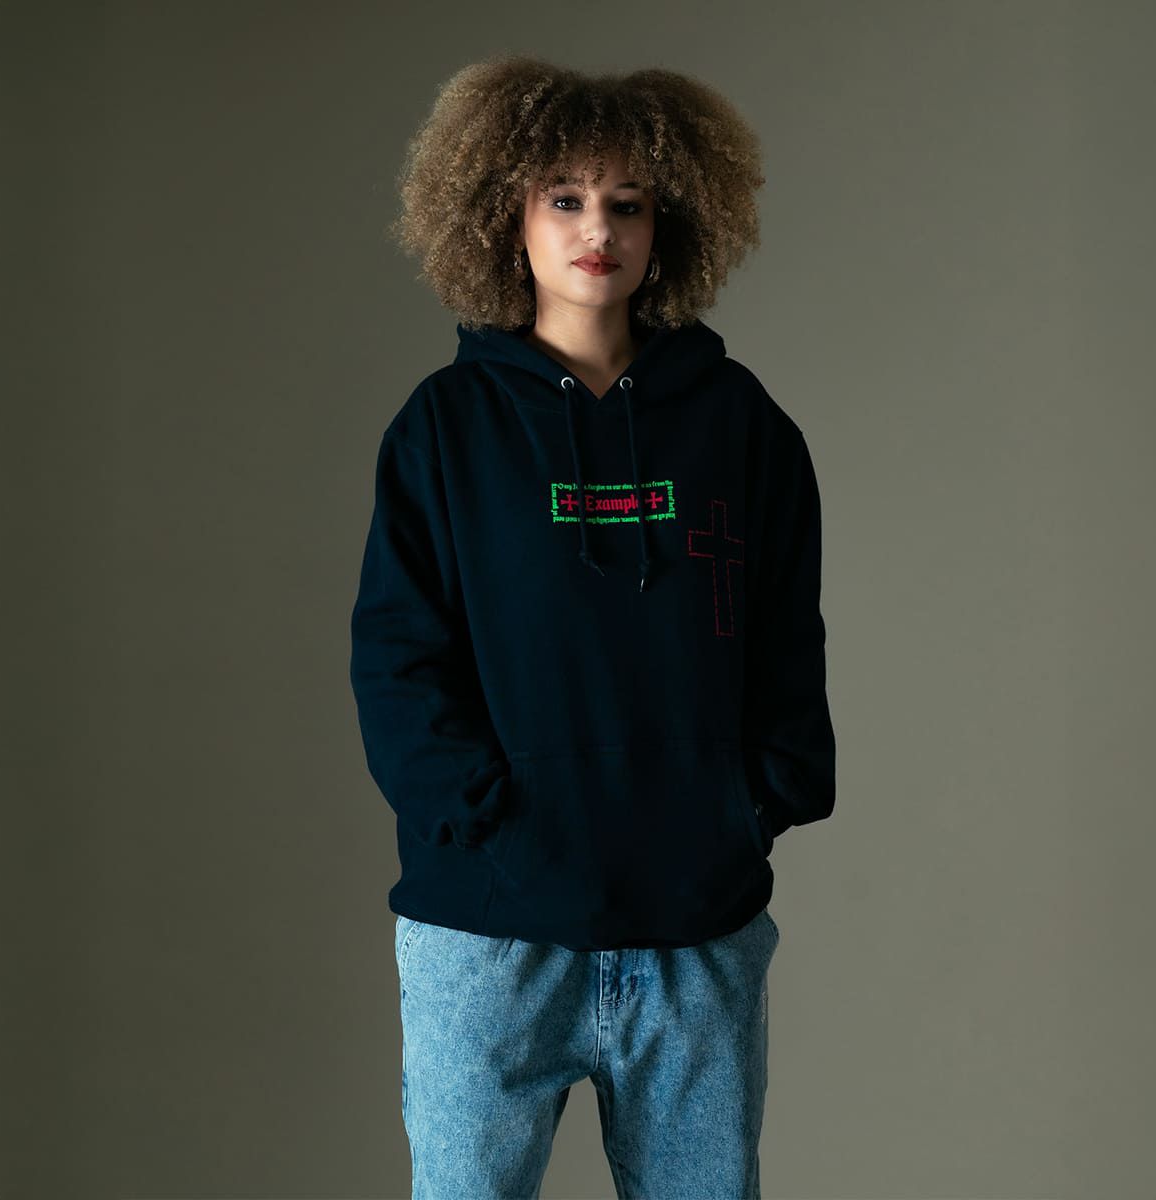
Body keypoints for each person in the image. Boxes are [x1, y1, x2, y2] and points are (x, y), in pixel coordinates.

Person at [349, 53, 836, 1200]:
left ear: (672, 222)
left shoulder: (739, 426)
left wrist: (751, 804)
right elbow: (399, 658)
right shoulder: (444, 431)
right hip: (490, 935)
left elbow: (786, 640)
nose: (597, 230)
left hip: (694, 932)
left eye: (628, 202)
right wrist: (489, 827)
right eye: (563, 198)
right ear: (503, 214)